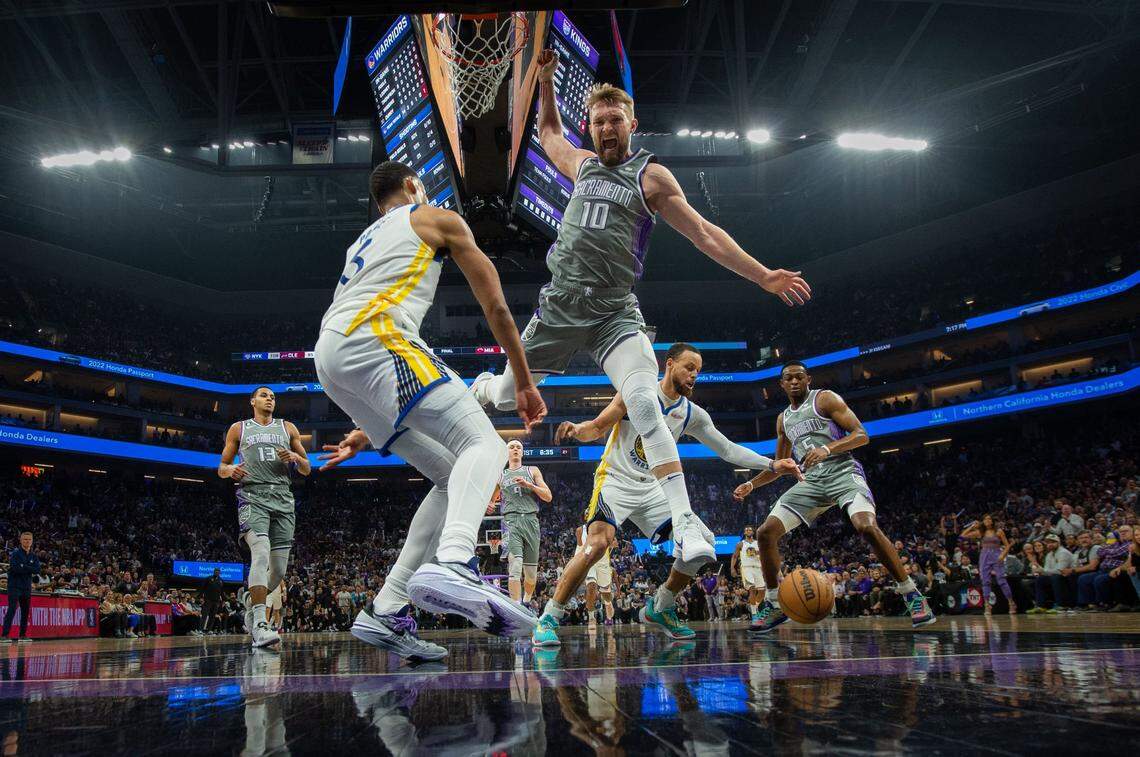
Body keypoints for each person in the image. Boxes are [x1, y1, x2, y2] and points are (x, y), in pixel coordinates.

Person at [471, 50, 811, 572]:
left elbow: (704, 234)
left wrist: (763, 275)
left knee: (644, 400)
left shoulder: (650, 177)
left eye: (616, 121)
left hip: (614, 314)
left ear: (632, 125)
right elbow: (548, 134)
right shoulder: (582, 164)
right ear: (593, 125)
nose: (607, 128)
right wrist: (543, 83)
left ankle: (687, 526)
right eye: (599, 120)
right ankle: (483, 384)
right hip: (561, 309)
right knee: (499, 396)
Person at [313, 160, 546, 661]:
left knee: (448, 477)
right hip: (380, 337)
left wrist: (362, 425)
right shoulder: (435, 216)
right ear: (413, 185)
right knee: (482, 443)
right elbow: (498, 307)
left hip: (330, 360)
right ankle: (457, 560)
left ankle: (385, 609)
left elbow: (346, 340)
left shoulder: (363, 242)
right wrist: (523, 380)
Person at [535, 343, 801, 645]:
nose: (694, 375)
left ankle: (661, 605)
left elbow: (727, 449)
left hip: (655, 490)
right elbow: (597, 428)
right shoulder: (636, 393)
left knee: (704, 544)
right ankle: (549, 617)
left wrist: (772, 463)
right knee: (597, 544)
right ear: (669, 364)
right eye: (689, 367)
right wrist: (576, 429)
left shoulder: (691, 414)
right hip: (616, 481)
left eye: (698, 371)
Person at [735, 362, 936, 632]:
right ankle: (773, 603)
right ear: (781, 385)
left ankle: (911, 594)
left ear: (808, 379)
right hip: (811, 481)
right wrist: (752, 484)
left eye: (798, 377)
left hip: (843, 472)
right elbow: (782, 464)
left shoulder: (825, 399)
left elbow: (861, 435)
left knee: (865, 526)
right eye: (788, 378)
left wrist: (827, 449)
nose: (794, 382)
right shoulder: (783, 419)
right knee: (765, 532)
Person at [218, 386, 310, 649]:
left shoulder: (288, 428)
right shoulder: (239, 428)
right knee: (260, 553)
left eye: (272, 396)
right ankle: (260, 623)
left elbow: (307, 468)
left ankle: (251, 601)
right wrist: (231, 470)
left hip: (283, 498)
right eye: (264, 395)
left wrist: (295, 457)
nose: (270, 399)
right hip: (252, 495)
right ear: (252, 401)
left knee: (279, 570)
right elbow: (221, 467)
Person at [498, 440, 551, 605]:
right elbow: (492, 500)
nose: (515, 449)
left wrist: (530, 485)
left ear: (522, 452)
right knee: (515, 566)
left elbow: (548, 496)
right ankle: (516, 607)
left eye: (518, 447)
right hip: (511, 521)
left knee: (531, 575)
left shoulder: (532, 470)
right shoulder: (500, 474)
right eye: (512, 447)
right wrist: (490, 505)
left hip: (531, 521)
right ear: (507, 452)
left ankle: (526, 601)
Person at [961, 514, 1016, 615]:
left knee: (1001, 580)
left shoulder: (998, 531)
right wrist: (972, 526)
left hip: (996, 555)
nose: (987, 520)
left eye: (989, 518)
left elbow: (1007, 545)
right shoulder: (980, 532)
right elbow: (962, 536)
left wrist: (1002, 555)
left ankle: (1011, 603)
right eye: (985, 519)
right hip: (984, 556)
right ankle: (987, 605)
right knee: (985, 581)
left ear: (992, 521)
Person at [574, 524, 614, 631]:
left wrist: (611, 543)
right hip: (589, 560)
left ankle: (608, 603)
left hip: (602, 562)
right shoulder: (580, 530)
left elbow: (615, 543)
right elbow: (579, 549)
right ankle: (591, 617)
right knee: (591, 587)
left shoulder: (605, 526)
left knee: (606, 593)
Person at [2, 532, 40, 643]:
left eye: (29, 539)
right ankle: (4, 635)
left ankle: (22, 635)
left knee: (25, 610)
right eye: (25, 539)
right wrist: (29, 568)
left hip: (26, 587)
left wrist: (24, 566)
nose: (27, 541)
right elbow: (15, 568)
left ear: (32, 541)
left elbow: (37, 570)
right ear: (21, 540)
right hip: (14, 585)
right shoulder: (15, 553)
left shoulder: (34, 555)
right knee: (12, 609)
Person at [1029, 533, 1075, 612]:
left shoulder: (1063, 552)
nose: (1050, 544)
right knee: (1040, 579)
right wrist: (1039, 569)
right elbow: (1046, 571)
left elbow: (1060, 571)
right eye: (1048, 542)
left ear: (1058, 543)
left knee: (1056, 577)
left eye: (1053, 542)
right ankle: (1041, 606)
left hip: (1069, 575)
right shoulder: (1049, 554)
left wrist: (1042, 571)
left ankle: (1061, 605)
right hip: (1055, 576)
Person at [731, 525, 765, 619]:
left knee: (762, 592)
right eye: (746, 530)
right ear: (745, 533)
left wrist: (758, 553)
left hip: (758, 568)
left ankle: (754, 606)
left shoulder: (758, 543)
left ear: (753, 532)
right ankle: (754, 614)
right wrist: (732, 568)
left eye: (750, 530)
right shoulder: (740, 544)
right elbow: (734, 556)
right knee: (752, 589)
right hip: (746, 568)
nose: (748, 531)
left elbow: (764, 555)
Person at [201, 568, 225, 634]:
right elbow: (203, 588)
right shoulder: (208, 578)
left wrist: (223, 599)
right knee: (205, 615)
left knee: (212, 616)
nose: (217, 572)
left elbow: (222, 592)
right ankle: (201, 629)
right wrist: (201, 597)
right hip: (208, 599)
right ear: (214, 572)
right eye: (216, 571)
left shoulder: (221, 581)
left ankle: (209, 630)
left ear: (220, 573)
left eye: (218, 571)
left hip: (216, 601)